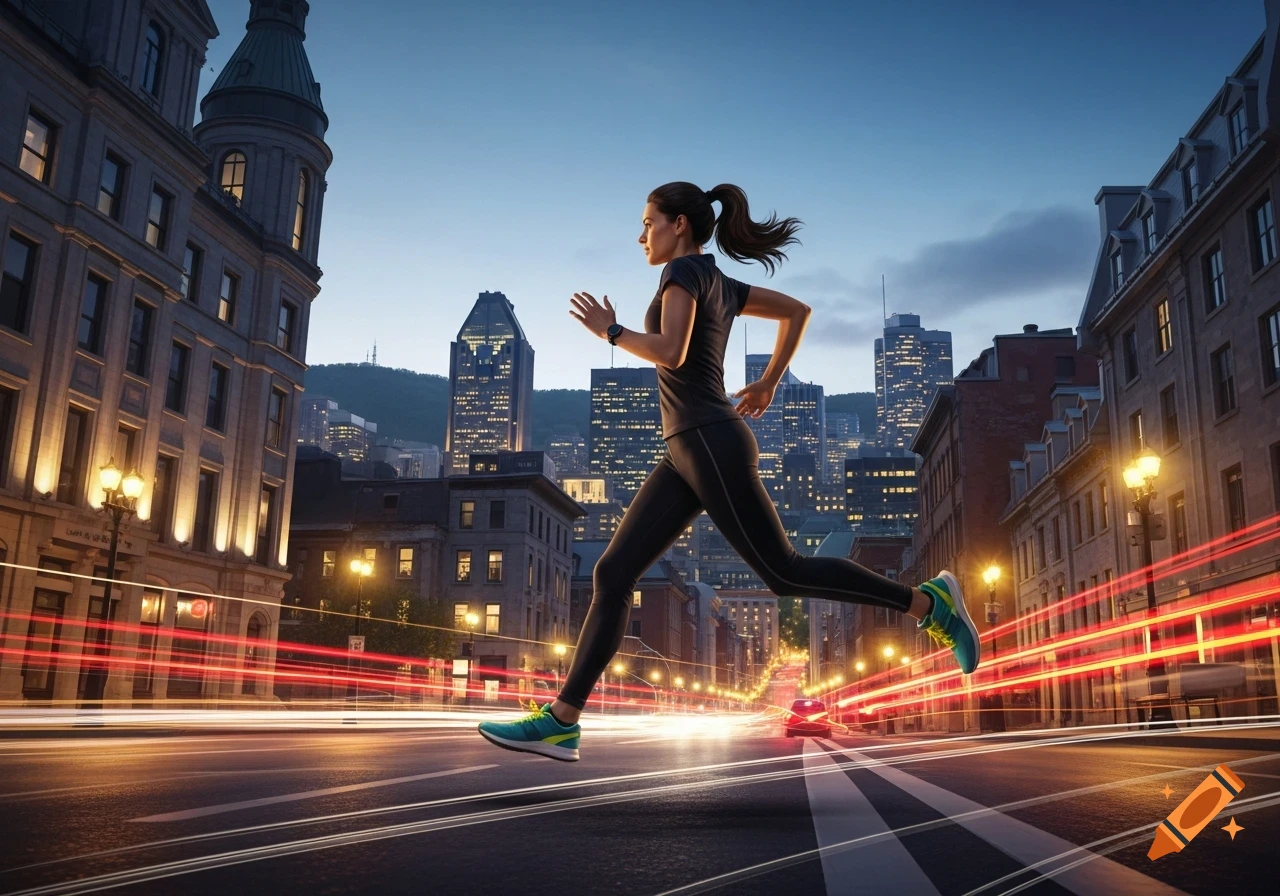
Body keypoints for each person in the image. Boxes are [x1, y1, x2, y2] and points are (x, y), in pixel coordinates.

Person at [477, 182, 979, 762]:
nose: (642, 235)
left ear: (681, 225)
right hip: (688, 449)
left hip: (707, 440)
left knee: (783, 572)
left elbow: (671, 350)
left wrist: (611, 333)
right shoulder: (720, 282)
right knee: (614, 573)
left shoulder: (684, 275)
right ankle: (562, 720)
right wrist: (767, 380)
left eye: (649, 223)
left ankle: (927, 602)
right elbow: (797, 312)